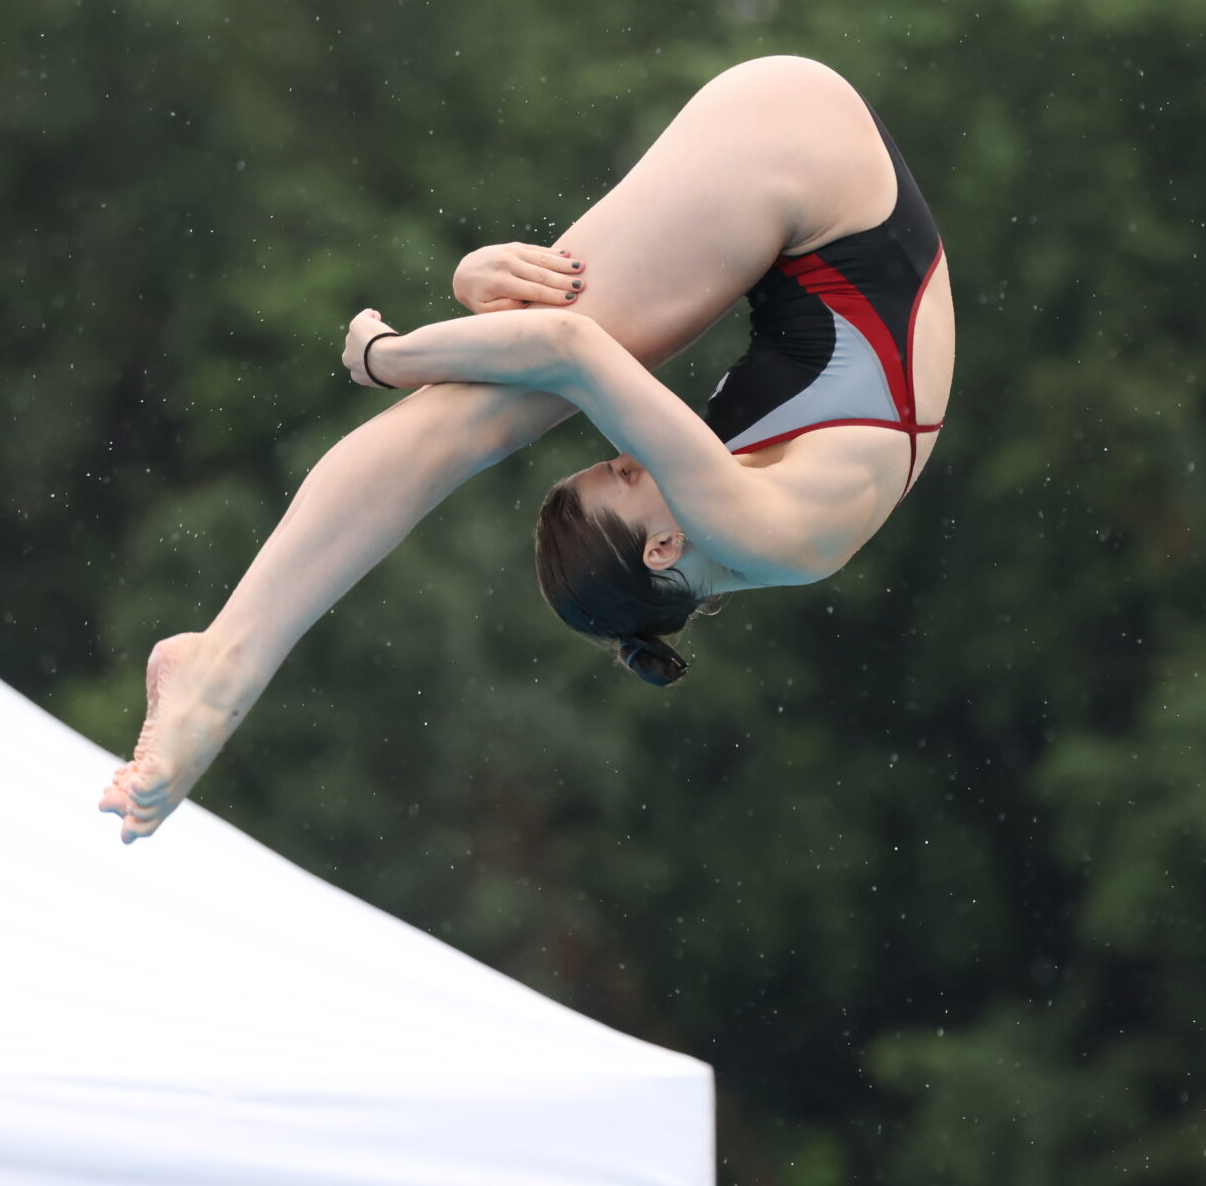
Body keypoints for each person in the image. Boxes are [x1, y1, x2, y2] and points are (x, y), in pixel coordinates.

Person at [99, 55, 952, 841]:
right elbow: (573, 354)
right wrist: (386, 355)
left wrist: (474, 293)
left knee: (483, 408)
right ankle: (220, 669)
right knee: (470, 420)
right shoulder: (756, 527)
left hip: (815, 189)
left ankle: (223, 662)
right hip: (801, 148)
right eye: (621, 470)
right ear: (660, 547)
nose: (633, 452)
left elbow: (568, 350)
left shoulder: (743, 537)